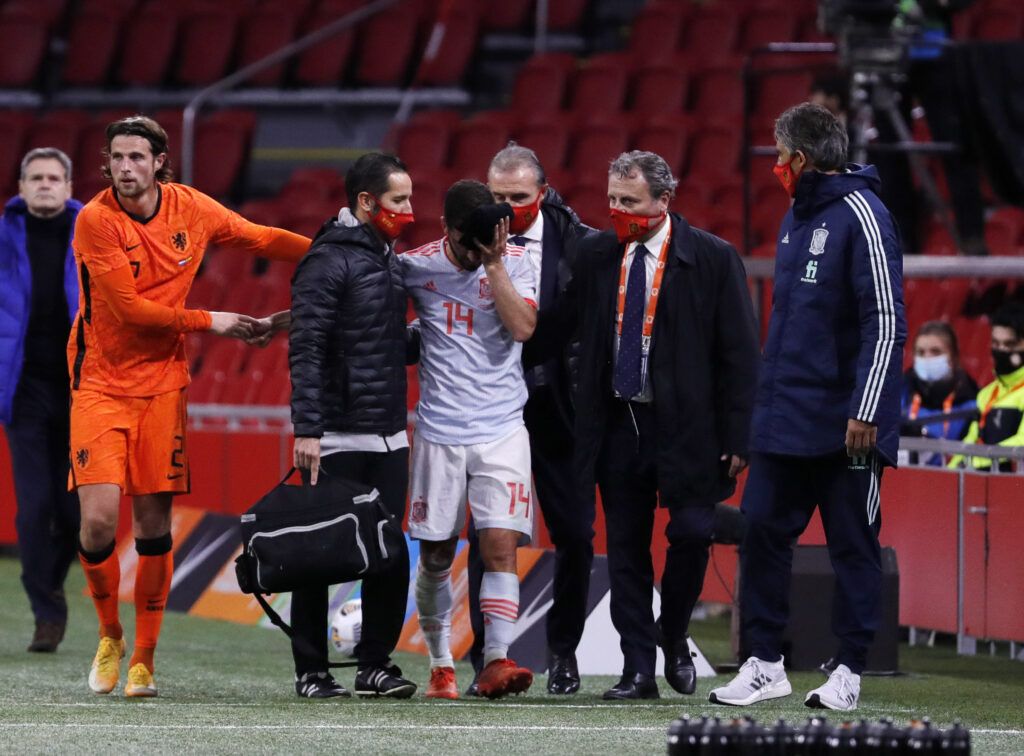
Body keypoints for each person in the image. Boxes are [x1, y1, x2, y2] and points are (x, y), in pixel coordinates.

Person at [71, 115, 310, 698]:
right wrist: (216, 321)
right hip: (99, 383)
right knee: (100, 520)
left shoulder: (190, 208)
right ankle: (110, 635)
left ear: (158, 162)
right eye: (117, 158)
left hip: (162, 385)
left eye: (136, 157)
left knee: (153, 524)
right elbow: (129, 311)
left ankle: (145, 660)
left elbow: (259, 238)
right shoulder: (96, 220)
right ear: (107, 164)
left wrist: (335, 252)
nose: (125, 167)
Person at [528, 151, 760, 700]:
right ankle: (638, 670)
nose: (617, 211)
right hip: (616, 423)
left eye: (629, 202)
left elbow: (741, 355)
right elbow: (557, 328)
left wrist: (738, 437)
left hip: (690, 430)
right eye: (611, 200)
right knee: (628, 551)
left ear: (663, 201)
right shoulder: (595, 254)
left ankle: (673, 634)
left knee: (692, 534)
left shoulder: (712, 258)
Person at [710, 103, 906, 712]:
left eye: (778, 155)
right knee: (764, 533)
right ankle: (765, 663)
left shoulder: (864, 215)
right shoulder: (796, 219)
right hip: (784, 419)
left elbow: (886, 319)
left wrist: (867, 408)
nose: (774, 167)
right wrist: (753, 427)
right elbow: (789, 331)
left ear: (801, 158)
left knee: (853, 546)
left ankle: (848, 669)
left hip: (847, 426)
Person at [458, 143, 595, 696]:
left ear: (542, 193)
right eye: (497, 197)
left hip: (556, 406)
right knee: (489, 534)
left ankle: (563, 652)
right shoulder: (464, 238)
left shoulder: (578, 244)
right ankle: (487, 659)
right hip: (489, 407)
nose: (508, 207)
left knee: (576, 537)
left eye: (519, 197)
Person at [401, 180, 538, 700]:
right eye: (469, 242)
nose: (477, 250)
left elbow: (524, 327)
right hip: (439, 431)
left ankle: (496, 661)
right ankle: (440, 664)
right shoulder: (417, 266)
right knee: (436, 554)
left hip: (502, 428)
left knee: (500, 546)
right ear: (447, 230)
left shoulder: (517, 261)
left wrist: (495, 264)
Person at [289, 152, 419, 700]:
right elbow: (308, 347)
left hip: (389, 431)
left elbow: (381, 344)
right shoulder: (327, 261)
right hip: (338, 435)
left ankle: (375, 665)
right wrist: (308, 428)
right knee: (319, 556)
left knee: (389, 553)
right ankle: (311, 672)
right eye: (399, 200)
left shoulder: (388, 259)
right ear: (367, 202)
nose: (409, 210)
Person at [0, 148, 82, 653]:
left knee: (77, 515)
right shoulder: (4, 236)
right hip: (24, 391)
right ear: (22, 186)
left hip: (81, 391)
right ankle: (46, 610)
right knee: (33, 509)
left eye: (54, 177)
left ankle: (52, 582)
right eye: (36, 177)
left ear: (69, 186)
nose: (46, 185)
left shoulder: (96, 231)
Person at [950, 303, 1024, 471]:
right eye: (996, 344)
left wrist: (974, 461)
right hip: (985, 482)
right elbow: (971, 440)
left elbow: (1021, 442)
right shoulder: (986, 393)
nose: (1001, 350)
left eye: (1010, 344)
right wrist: (951, 470)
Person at [900, 320, 978, 464]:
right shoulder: (898, 395)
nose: (927, 358)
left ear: (953, 358)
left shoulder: (973, 402)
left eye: (936, 351)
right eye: (921, 352)